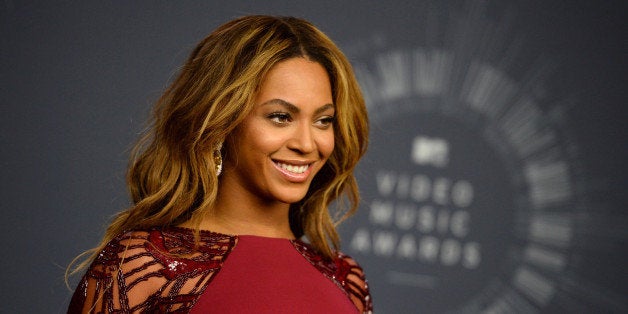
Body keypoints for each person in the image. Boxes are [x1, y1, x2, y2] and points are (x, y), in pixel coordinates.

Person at [67, 15, 371, 313]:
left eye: (323, 120)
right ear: (222, 122)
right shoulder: (143, 267)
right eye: (280, 117)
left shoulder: (346, 277)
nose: (306, 144)